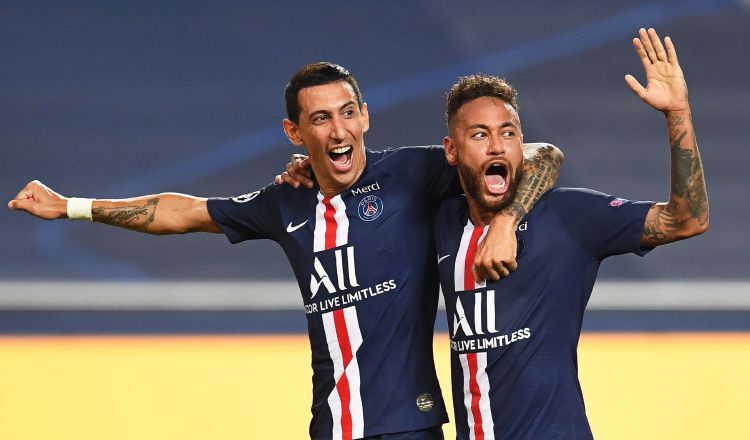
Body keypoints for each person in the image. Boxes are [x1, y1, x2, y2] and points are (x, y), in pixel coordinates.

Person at [7, 62, 564, 439]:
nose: (338, 129)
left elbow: (540, 153)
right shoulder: (284, 201)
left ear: (365, 116)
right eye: (319, 118)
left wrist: (508, 219)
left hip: (407, 425)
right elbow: (184, 212)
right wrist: (71, 207)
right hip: (329, 425)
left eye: (348, 112)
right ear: (295, 133)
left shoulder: (414, 174)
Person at [434, 28, 708, 439]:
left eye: (508, 133)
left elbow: (687, 219)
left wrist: (678, 114)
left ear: (521, 144)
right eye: (479, 134)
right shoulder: (441, 222)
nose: (496, 146)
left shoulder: (567, 216)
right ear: (451, 150)